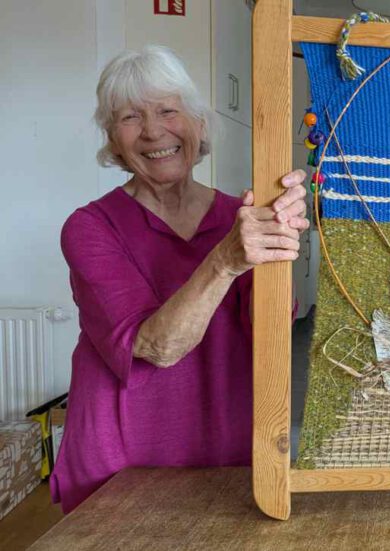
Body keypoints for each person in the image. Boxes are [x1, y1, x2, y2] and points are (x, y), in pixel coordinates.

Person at [50, 45, 310, 513]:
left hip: (229, 448)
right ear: (112, 140)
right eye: (130, 117)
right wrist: (227, 260)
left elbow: (272, 324)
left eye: (168, 111)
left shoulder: (241, 217)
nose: (153, 131)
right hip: (123, 461)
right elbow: (156, 347)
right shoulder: (90, 228)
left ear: (199, 125)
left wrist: (281, 235)